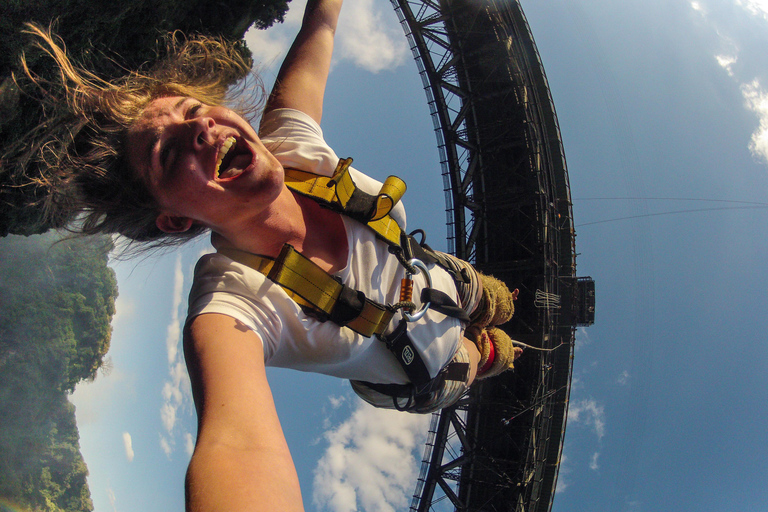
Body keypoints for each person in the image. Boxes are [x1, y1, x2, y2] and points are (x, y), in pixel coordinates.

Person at [16, 0, 522, 509]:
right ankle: (497, 352)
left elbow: (320, 26)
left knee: (490, 298)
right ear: (174, 219)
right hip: (428, 371)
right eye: (168, 155)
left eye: (193, 110)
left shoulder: (293, 146)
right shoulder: (233, 304)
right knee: (483, 355)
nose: (200, 129)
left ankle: (493, 306)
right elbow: (236, 445)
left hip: (438, 275)